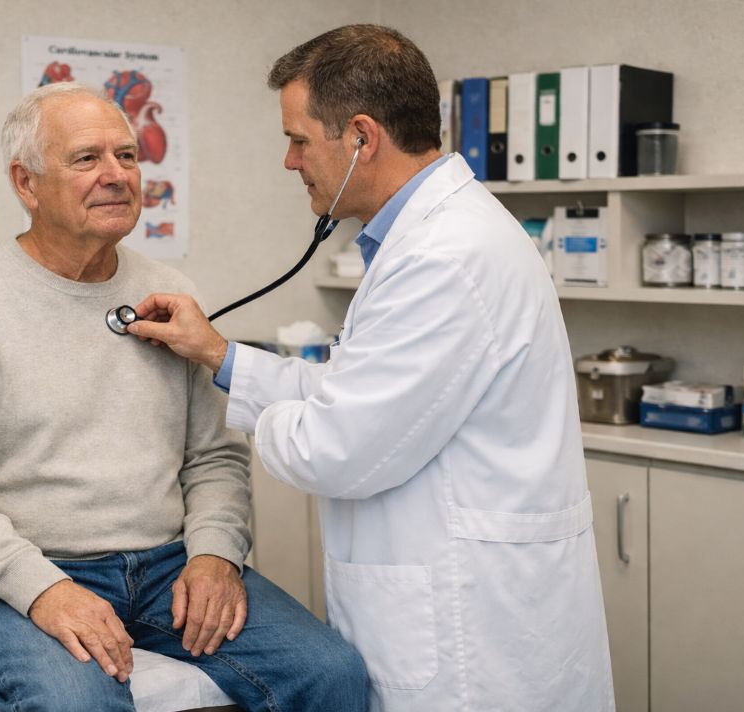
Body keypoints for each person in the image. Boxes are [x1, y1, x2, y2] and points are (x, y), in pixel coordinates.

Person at [127, 24, 615, 712]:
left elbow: (334, 446)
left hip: (469, 637)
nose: (290, 162)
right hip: (465, 597)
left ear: (360, 136)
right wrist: (218, 354)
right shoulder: (429, 240)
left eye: (298, 139)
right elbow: (354, 396)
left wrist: (256, 430)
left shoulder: (445, 257)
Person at [0, 81, 368, 712]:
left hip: (165, 567)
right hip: (13, 571)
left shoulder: (167, 290)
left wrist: (216, 557)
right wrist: (44, 589)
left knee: (331, 672)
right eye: (86, 159)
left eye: (127, 156)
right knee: (80, 703)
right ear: (25, 182)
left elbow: (214, 457)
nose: (116, 175)